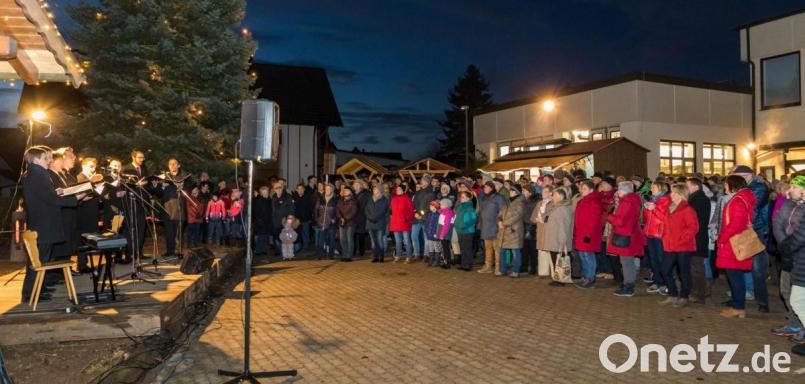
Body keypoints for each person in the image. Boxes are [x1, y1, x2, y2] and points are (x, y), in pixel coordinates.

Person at [20, 146, 82, 302]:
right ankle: (30, 294)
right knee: (38, 262)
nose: (49, 160)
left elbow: (46, 196)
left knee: (41, 260)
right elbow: (50, 199)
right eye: (46, 157)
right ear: (36, 159)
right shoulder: (37, 175)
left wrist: (58, 193)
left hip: (42, 223)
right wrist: (76, 198)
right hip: (44, 225)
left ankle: (35, 291)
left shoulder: (35, 173)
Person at [731, 165, 771, 313]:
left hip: (756, 231)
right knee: (739, 266)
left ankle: (762, 302)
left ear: (746, 175)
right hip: (744, 230)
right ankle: (740, 297)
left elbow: (751, 207)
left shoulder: (759, 187)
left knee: (757, 268)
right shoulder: (744, 187)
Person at [717, 175, 756, 318]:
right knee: (736, 276)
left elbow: (735, 224)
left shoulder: (738, 201)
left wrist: (722, 238)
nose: (724, 187)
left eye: (726, 184)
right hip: (736, 241)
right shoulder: (741, 198)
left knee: (735, 277)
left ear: (732, 185)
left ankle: (738, 307)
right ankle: (737, 305)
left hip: (733, 243)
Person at [772, 175, 805, 344]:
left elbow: (800, 235)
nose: (789, 190)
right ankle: (794, 324)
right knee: (787, 290)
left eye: (794, 187)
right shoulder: (789, 204)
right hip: (789, 254)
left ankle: (801, 327)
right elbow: (778, 223)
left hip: (799, 256)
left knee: (799, 296)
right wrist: (784, 244)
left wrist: (789, 246)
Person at [657, 184, 699, 308]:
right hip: (670, 245)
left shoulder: (687, 209)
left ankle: (684, 296)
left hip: (683, 246)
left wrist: (681, 239)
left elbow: (693, 227)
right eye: (671, 192)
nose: (671, 195)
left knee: (684, 273)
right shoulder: (670, 207)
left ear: (681, 195)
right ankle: (673, 294)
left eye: (675, 193)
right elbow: (665, 222)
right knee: (664, 270)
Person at [607, 181, 646, 297]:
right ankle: (627, 284)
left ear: (624, 190)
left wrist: (608, 216)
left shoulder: (627, 202)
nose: (617, 191)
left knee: (626, 262)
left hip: (625, 236)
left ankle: (629, 286)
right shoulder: (632, 200)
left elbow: (620, 221)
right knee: (627, 261)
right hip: (629, 235)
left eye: (619, 189)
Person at [573, 180, 605, 288]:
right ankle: (585, 276)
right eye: (581, 188)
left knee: (588, 256)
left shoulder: (594, 201)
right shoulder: (583, 201)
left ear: (591, 190)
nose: (582, 190)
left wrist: (588, 235)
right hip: (581, 233)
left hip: (588, 235)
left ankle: (590, 278)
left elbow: (594, 220)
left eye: (584, 189)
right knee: (583, 256)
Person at [686, 178, 712, 304]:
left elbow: (698, 220)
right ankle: (698, 290)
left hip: (697, 237)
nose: (687, 188)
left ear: (696, 186)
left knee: (697, 267)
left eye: (688, 186)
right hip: (696, 236)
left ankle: (699, 292)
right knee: (695, 266)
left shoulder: (699, 199)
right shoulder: (696, 198)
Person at [542, 188, 574, 285]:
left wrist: (562, 242)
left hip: (558, 239)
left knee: (559, 259)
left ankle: (560, 279)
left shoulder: (563, 209)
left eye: (554, 195)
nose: (552, 197)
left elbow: (564, 226)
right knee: (554, 258)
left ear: (560, 196)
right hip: (554, 237)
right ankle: (557, 278)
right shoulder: (555, 207)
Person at [159, 158, 187, 256]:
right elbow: (158, 193)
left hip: (179, 205)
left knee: (178, 230)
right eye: (170, 164)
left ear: (178, 165)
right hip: (167, 206)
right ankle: (170, 251)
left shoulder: (184, 176)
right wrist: (162, 187)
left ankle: (178, 251)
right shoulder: (163, 177)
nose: (172, 165)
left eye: (174, 164)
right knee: (169, 230)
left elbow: (190, 191)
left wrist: (183, 187)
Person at [497, 185, 526, 277]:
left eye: (513, 191)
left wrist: (504, 223)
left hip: (514, 231)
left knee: (515, 251)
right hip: (504, 230)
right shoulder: (507, 202)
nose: (510, 192)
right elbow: (500, 214)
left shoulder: (520, 202)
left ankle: (515, 270)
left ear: (517, 192)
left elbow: (517, 215)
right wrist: (499, 221)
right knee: (502, 250)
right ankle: (502, 270)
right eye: (510, 191)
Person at [478, 181, 506, 273]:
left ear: (491, 188)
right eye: (484, 187)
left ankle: (498, 267)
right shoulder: (484, 198)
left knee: (497, 248)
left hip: (495, 226)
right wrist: (480, 224)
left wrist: (500, 221)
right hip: (486, 226)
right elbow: (481, 212)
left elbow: (503, 210)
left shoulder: (498, 198)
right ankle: (488, 266)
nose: (484, 189)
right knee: (488, 248)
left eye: (486, 187)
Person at [411, 175, 436, 260]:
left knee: (426, 237)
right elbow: (414, 204)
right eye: (421, 180)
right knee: (414, 236)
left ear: (427, 182)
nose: (421, 182)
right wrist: (415, 212)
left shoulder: (431, 193)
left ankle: (426, 254)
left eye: (423, 180)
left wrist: (421, 214)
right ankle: (416, 253)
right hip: (416, 218)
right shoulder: (418, 192)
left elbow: (430, 206)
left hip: (425, 218)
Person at [389, 184, 414, 263]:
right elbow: (392, 211)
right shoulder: (393, 199)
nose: (398, 191)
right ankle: (398, 255)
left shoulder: (407, 199)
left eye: (399, 189)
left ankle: (408, 256)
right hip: (396, 223)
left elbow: (411, 210)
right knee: (398, 241)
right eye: (397, 189)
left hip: (404, 223)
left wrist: (407, 218)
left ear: (403, 190)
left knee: (406, 241)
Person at [365, 184, 390, 262]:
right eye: (374, 189)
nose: (374, 190)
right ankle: (375, 256)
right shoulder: (370, 199)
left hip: (379, 223)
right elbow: (366, 210)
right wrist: (370, 218)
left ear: (380, 190)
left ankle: (381, 257)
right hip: (370, 223)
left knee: (379, 240)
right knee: (373, 241)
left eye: (375, 189)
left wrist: (374, 218)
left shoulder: (384, 200)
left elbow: (382, 212)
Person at [454, 191, 478, 271]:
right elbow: (457, 217)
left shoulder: (469, 207)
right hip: (460, 230)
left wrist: (463, 225)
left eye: (463, 197)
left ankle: (468, 265)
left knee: (467, 248)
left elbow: (472, 219)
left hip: (467, 231)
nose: (461, 198)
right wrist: (456, 225)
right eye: (461, 197)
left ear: (468, 198)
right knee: (462, 248)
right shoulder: (461, 206)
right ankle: (463, 264)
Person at [314, 183, 339, 260]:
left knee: (331, 239)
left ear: (332, 190)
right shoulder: (320, 198)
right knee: (320, 240)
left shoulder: (336, 199)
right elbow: (316, 209)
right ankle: (320, 255)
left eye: (329, 189)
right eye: (326, 188)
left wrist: (335, 219)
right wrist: (317, 219)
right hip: (321, 223)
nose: (327, 190)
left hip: (331, 223)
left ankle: (331, 255)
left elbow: (338, 211)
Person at [271, 181, 295, 253]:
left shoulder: (288, 197)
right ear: (274, 189)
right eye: (276, 188)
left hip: (285, 222)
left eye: (280, 187)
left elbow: (292, 209)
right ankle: (278, 251)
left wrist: (289, 222)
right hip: (275, 222)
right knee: (276, 237)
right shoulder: (273, 197)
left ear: (282, 188)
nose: (278, 189)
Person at [521, 184, 540, 275]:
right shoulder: (525, 200)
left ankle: (533, 268)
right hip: (525, 225)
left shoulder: (534, 201)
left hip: (531, 226)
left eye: (524, 190)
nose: (522, 192)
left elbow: (532, 214)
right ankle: (524, 266)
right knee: (525, 248)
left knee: (532, 248)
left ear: (529, 192)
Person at [337, 187, 358, 262]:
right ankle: (344, 255)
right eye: (344, 190)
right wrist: (341, 217)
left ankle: (349, 256)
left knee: (349, 239)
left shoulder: (353, 201)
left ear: (350, 192)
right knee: (342, 239)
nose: (345, 191)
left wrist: (345, 219)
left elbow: (353, 212)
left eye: (347, 190)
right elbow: (337, 210)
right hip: (342, 222)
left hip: (350, 223)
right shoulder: (340, 200)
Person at [353, 180, 371, 257]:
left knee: (361, 235)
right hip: (352, 217)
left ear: (361, 185)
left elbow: (368, 206)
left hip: (362, 217)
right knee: (352, 235)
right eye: (355, 184)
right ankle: (353, 250)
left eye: (358, 184)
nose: (356, 186)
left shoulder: (366, 194)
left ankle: (361, 251)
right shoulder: (351, 194)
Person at [436, 198, 456, 269]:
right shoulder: (444, 212)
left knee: (446, 249)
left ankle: (447, 263)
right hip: (444, 233)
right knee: (445, 248)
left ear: (446, 205)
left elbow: (446, 225)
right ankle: (446, 262)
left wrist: (442, 234)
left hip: (445, 234)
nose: (440, 205)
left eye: (441, 204)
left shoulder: (447, 213)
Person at [293, 183, 314, 249]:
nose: (300, 190)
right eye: (298, 189)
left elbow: (311, 207)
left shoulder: (308, 197)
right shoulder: (294, 197)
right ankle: (298, 246)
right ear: (296, 190)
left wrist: (310, 217)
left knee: (305, 233)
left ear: (304, 189)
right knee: (297, 233)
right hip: (297, 219)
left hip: (305, 219)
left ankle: (306, 246)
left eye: (301, 189)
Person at [424, 200, 442, 267]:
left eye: (431, 205)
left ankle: (437, 261)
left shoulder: (438, 215)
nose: (430, 206)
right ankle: (431, 260)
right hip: (429, 234)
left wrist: (437, 233)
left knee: (436, 247)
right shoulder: (429, 214)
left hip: (435, 235)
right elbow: (426, 223)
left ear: (435, 206)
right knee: (430, 247)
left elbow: (439, 225)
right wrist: (426, 230)